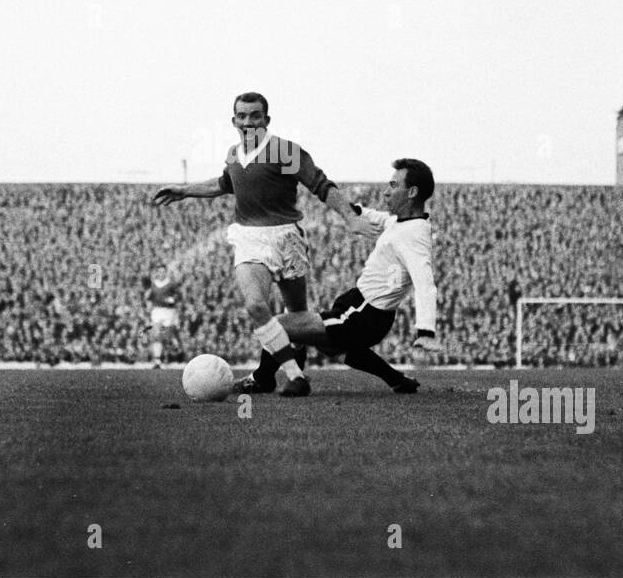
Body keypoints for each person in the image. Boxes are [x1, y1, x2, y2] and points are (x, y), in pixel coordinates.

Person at [152, 91, 372, 396]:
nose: (248, 121)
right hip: (249, 238)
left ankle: (273, 373)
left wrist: (349, 217)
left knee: (297, 315)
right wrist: (185, 190)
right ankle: (295, 376)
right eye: (242, 116)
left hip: (287, 238)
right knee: (256, 304)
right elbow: (223, 184)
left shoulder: (285, 151)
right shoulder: (232, 154)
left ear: (266, 119)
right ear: (234, 121)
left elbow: (321, 184)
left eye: (255, 115)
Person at [260, 159, 440, 395]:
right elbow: (378, 217)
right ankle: (398, 380)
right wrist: (350, 209)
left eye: (394, 185)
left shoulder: (414, 235)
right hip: (364, 308)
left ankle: (263, 379)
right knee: (335, 347)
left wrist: (426, 331)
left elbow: (425, 283)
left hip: (364, 314)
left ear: (412, 192)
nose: (386, 192)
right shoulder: (403, 223)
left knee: (277, 325)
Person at [143, 266, 180, 368]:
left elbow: (177, 296)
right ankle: (157, 360)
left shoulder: (171, 284)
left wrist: (172, 299)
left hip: (168, 311)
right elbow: (148, 297)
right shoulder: (153, 284)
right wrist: (148, 303)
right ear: (157, 273)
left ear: (166, 273)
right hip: (157, 310)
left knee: (167, 335)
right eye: (159, 272)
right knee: (157, 333)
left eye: (163, 272)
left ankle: (165, 358)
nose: (161, 274)